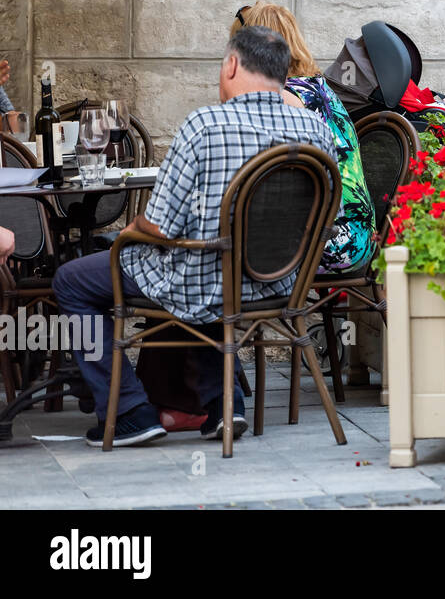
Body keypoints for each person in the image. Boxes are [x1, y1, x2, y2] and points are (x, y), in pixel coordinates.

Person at [51, 27, 337, 447]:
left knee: (71, 279)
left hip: (201, 281)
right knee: (200, 264)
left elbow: (160, 225)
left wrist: (127, 234)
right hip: (278, 284)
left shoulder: (205, 124)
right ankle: (225, 405)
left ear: (233, 65)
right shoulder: (316, 130)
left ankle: (130, 410)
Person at [231, 3, 375, 273]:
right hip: (355, 234)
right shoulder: (316, 87)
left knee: (222, 246)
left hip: (331, 241)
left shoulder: (283, 97)